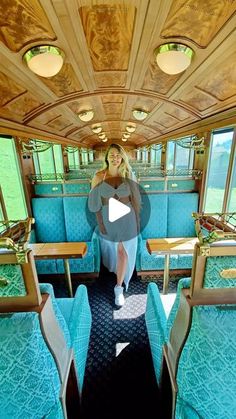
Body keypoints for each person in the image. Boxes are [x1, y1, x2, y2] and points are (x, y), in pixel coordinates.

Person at [88, 143, 141, 307]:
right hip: (109, 217)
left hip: (128, 217)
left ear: (122, 157)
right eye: (112, 154)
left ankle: (118, 288)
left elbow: (136, 201)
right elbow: (95, 204)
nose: (115, 158)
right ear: (106, 157)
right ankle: (116, 275)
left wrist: (137, 222)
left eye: (118, 155)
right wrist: (100, 224)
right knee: (114, 252)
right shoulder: (98, 176)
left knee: (122, 250)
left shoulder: (129, 174)